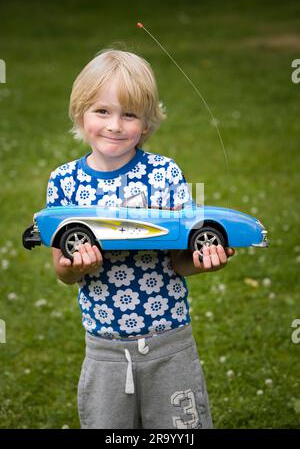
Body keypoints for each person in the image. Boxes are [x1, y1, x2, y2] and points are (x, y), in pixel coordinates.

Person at [47, 49, 235, 429]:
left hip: (170, 341)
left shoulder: (164, 174)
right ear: (80, 114)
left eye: (129, 114)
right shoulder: (64, 182)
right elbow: (62, 272)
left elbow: (179, 257)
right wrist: (76, 267)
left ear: (146, 124)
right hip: (105, 348)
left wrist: (202, 260)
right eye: (102, 111)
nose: (115, 125)